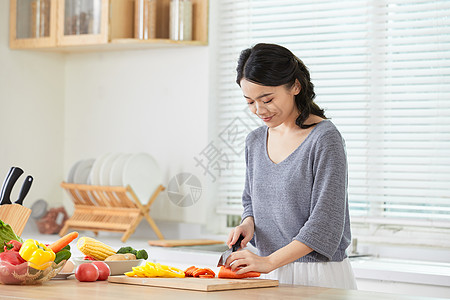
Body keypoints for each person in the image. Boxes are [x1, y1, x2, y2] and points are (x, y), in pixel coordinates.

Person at [225, 43, 357, 289]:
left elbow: (326, 224)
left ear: (295, 86)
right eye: (250, 102)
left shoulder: (324, 138)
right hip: (267, 273)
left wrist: (268, 262)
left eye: (267, 99)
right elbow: (250, 201)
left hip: (316, 275)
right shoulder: (254, 140)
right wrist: (248, 223)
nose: (259, 110)